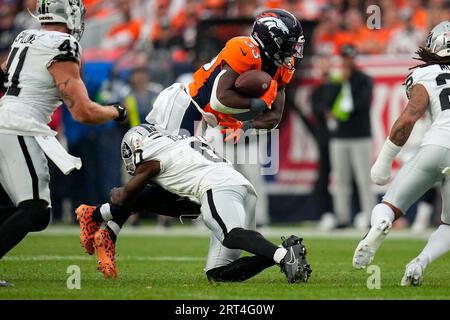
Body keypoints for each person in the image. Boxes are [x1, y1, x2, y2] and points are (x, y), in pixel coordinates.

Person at [76, 123, 312, 283]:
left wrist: (115, 193)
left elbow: (125, 197)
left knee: (231, 234)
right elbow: (166, 201)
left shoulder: (154, 157)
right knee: (217, 274)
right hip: (234, 187)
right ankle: (284, 252)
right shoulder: (180, 145)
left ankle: (284, 257)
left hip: (217, 186)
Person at [0, 0, 126, 287]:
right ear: (69, 13)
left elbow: (5, 75)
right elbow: (83, 112)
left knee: (18, 210)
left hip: (7, 120)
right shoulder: (64, 44)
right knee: (35, 210)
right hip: (17, 126)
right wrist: (116, 112)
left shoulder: (24, 36)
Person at [352, 21, 450, 287]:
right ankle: (419, 263)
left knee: (389, 206)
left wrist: (383, 162)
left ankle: (381, 224)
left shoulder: (427, 73)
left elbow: (407, 120)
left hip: (437, 145)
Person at [145, 8, 305, 139]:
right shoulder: (244, 49)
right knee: (170, 168)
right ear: (271, 40)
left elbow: (275, 117)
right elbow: (219, 99)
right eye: (288, 45)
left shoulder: (283, 67)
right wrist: (259, 103)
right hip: (189, 105)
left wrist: (245, 126)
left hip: (209, 120)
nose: (293, 53)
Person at [323, 44, 376, 230]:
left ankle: (370, 216)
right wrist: (340, 83)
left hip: (360, 135)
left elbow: (361, 104)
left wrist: (347, 83)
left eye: (350, 57)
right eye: (345, 58)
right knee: (340, 179)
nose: (348, 61)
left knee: (363, 179)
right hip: (340, 136)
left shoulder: (364, 80)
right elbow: (326, 102)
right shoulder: (336, 80)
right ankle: (342, 216)